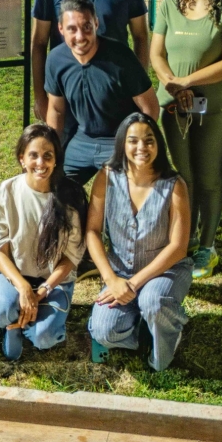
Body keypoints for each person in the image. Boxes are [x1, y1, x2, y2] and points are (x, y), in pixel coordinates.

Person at [150, 0, 222, 279]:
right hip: (174, 108)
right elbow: (156, 54)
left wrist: (186, 83)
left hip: (214, 108)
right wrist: (172, 86)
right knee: (182, 176)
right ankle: (185, 239)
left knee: (208, 178)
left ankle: (207, 246)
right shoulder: (168, 6)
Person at [86, 113, 191, 372]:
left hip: (165, 271)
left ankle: (165, 341)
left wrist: (133, 283)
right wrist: (111, 279)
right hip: (120, 273)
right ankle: (148, 332)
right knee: (103, 331)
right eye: (133, 141)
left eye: (149, 140)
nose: (141, 147)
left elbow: (178, 247)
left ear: (159, 145)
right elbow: (92, 231)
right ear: (122, 144)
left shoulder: (174, 185)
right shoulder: (107, 177)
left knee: (153, 301)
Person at [0, 124, 86, 361]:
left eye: (48, 156)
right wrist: (23, 287)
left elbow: (71, 257)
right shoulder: (7, 191)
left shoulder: (70, 196)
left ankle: (27, 320)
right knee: (1, 310)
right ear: (22, 159)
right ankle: (12, 322)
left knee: (44, 337)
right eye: (33, 155)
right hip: (15, 275)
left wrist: (44, 290)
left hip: (53, 281)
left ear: (56, 159)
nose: (41, 163)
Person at [45, 0, 159, 186]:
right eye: (72, 29)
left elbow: (150, 108)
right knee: (53, 187)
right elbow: (56, 110)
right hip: (82, 140)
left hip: (118, 140)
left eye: (86, 27)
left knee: (120, 198)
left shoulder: (120, 57)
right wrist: (51, 149)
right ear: (61, 29)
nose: (80, 36)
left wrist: (136, 145)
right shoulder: (55, 60)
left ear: (96, 23)